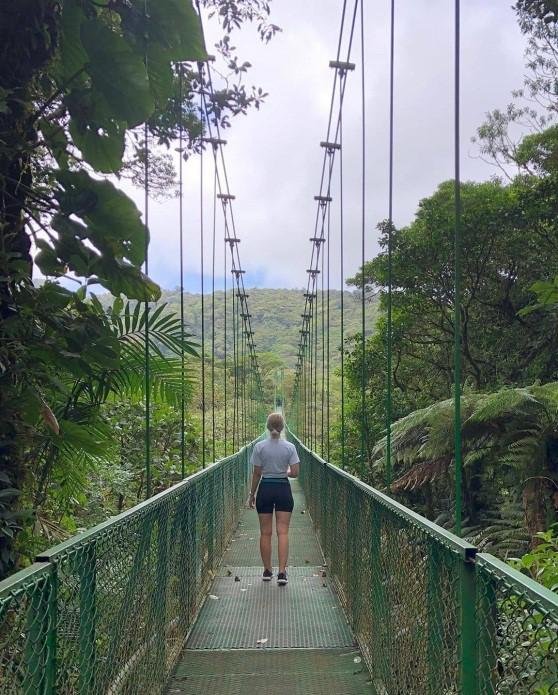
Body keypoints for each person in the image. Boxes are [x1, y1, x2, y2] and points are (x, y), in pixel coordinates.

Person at [248, 412, 300, 585]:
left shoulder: (259, 447)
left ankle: (267, 571)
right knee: (283, 531)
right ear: (282, 427)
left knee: (265, 532)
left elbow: (256, 473)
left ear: (268, 427)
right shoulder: (290, 447)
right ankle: (282, 573)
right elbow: (295, 472)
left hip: (265, 489)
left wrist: (251, 494)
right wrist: (283, 472)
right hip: (283, 488)